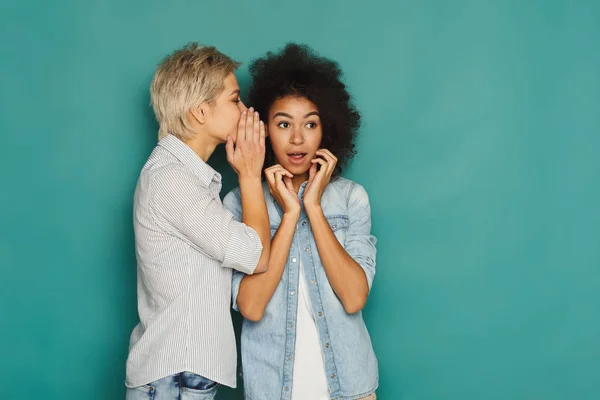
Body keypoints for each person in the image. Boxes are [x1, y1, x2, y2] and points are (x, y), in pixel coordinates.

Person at [223, 43, 378, 400]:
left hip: (350, 389)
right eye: (283, 124)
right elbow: (251, 306)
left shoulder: (351, 198)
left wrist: (314, 207)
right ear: (264, 130)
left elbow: (354, 298)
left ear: (327, 129)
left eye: (310, 123)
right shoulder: (239, 203)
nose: (297, 139)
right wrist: (290, 214)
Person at [125, 43, 271, 400]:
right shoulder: (171, 179)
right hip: (175, 377)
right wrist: (251, 176)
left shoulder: (185, 177)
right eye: (235, 100)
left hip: (179, 376)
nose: (245, 111)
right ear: (201, 112)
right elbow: (255, 255)